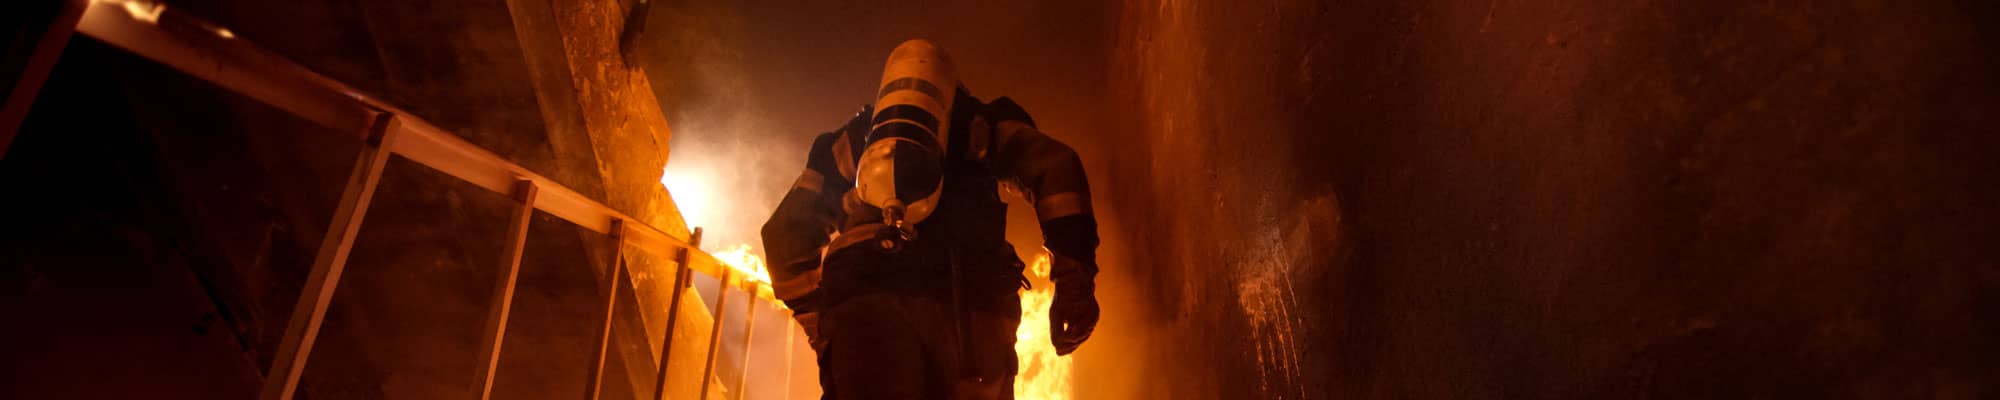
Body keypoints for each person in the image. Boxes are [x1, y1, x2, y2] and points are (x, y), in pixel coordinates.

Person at [760, 39, 1102, 399]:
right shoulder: (982, 125)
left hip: (863, 320)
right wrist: (1074, 287)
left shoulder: (853, 141)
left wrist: (820, 324)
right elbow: (1057, 170)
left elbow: (784, 236)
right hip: (971, 320)